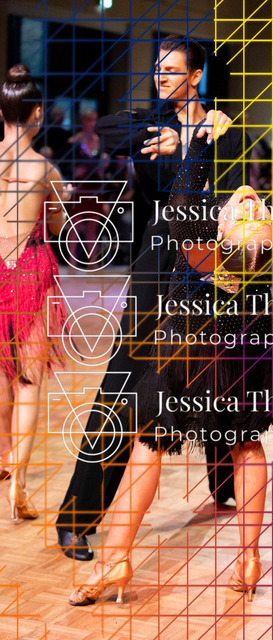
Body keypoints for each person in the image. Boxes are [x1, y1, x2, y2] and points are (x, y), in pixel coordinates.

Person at [68, 120, 273, 607]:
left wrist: (195, 144)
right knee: (245, 444)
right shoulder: (264, 231)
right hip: (244, 345)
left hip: (192, 348)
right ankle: (249, 559)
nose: (248, 199)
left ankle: (115, 560)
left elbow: (182, 199)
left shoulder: (197, 229)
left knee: (150, 442)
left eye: (248, 209)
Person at [56, 35, 250, 561]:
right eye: (158, 68)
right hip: (155, 265)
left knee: (214, 372)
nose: (161, 76)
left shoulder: (222, 131)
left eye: (172, 70)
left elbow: (226, 201)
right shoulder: (148, 124)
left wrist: (190, 147)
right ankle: (76, 516)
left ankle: (223, 483)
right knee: (123, 382)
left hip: (203, 266)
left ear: (196, 76)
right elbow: (110, 129)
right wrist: (168, 139)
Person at [0, 64, 69, 519]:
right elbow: (59, 227)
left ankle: (3, 458)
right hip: (31, 269)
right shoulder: (46, 170)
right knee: (28, 381)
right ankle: (18, 483)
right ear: (38, 113)